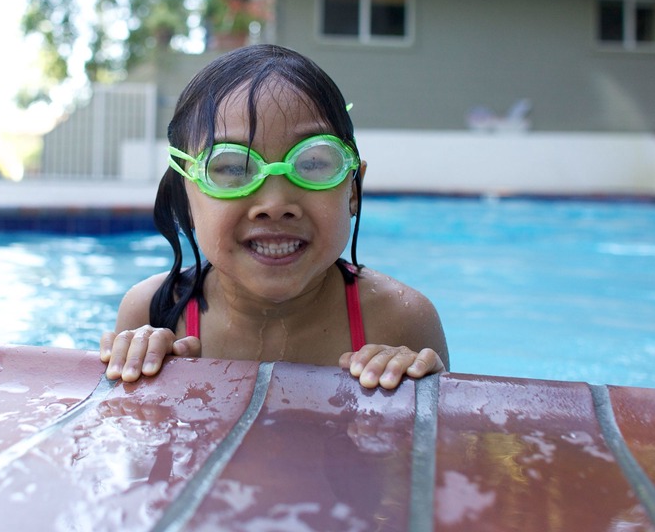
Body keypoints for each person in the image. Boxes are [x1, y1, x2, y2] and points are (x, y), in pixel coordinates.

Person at [100, 44, 448, 390]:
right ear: (185, 198)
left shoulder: (401, 320)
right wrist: (143, 377)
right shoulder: (153, 312)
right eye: (232, 168)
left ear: (353, 190)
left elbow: (439, 439)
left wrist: (419, 383)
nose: (275, 203)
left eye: (312, 163)